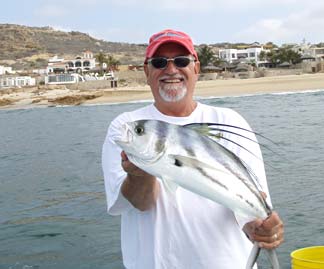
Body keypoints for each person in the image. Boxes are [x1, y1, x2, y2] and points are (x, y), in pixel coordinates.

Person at [102, 29, 284, 269]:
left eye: (181, 61)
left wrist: (260, 227)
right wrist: (138, 172)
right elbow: (142, 203)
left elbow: (250, 207)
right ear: (147, 72)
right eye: (159, 62)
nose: (171, 70)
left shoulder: (230, 122)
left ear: (196, 68)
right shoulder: (124, 127)